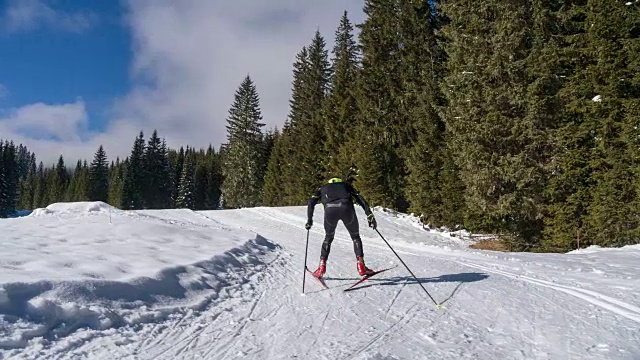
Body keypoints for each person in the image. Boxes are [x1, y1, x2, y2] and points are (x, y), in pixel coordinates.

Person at [305, 176, 377, 278]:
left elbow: (311, 202)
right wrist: (369, 214)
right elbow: (359, 198)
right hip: (346, 208)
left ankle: (321, 266)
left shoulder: (322, 188)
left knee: (328, 238)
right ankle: (361, 266)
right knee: (355, 237)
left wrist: (309, 220)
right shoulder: (346, 185)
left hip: (330, 211)